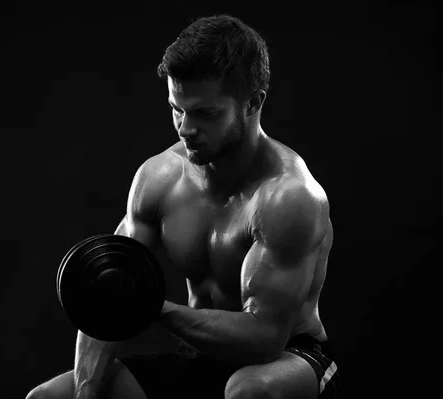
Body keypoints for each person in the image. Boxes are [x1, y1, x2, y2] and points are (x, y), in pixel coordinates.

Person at [27, 14, 342, 399]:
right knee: (48, 397)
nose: (184, 127)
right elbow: (105, 296)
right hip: (198, 356)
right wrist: (86, 392)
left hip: (288, 358)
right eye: (177, 108)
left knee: (248, 391)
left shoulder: (288, 196)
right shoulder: (159, 178)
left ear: (253, 102)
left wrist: (154, 308)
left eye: (204, 113)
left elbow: (264, 339)